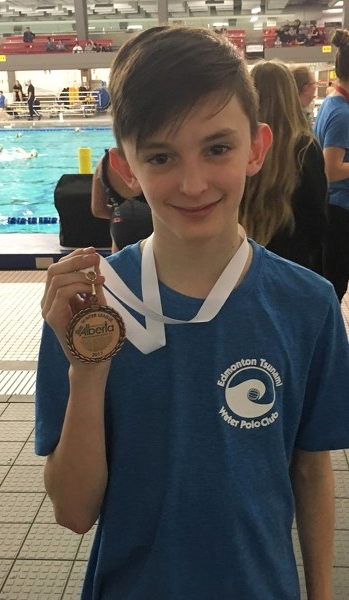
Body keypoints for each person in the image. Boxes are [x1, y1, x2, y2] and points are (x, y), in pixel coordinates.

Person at [35, 26, 349, 600]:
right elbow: (75, 513)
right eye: (160, 156)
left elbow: (311, 468)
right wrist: (87, 367)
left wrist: (322, 594)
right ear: (125, 168)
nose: (192, 182)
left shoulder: (308, 305)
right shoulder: (88, 305)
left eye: (217, 148)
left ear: (257, 148)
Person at [240, 60, 328, 274]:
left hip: (243, 255)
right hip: (293, 260)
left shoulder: (240, 145)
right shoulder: (305, 147)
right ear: (290, 94)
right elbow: (318, 218)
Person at [314, 28, 349, 302]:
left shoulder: (332, 102)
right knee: (334, 284)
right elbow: (332, 170)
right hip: (339, 209)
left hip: (335, 207)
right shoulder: (341, 113)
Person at [91, 148, 153, 252]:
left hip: (120, 228)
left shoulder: (103, 162)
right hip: (153, 229)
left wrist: (120, 213)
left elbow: (98, 210)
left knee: (118, 266)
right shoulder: (154, 161)